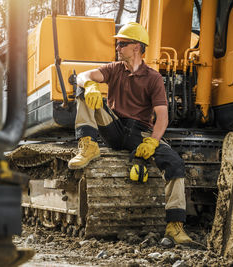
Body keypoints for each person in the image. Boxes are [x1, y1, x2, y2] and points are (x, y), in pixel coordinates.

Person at [68, 22, 193, 246]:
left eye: (122, 44)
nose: (117, 47)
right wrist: (89, 84)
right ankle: (88, 145)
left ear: (137, 47)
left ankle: (175, 226)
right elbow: (82, 75)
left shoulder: (153, 78)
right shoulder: (115, 69)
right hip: (114, 127)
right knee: (84, 89)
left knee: (175, 163)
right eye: (117, 44)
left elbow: (162, 117)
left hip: (140, 132)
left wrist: (153, 143)